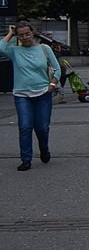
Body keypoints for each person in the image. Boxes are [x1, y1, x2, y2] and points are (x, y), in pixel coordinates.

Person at [1, 20, 61, 170]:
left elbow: (57, 69)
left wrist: (52, 85)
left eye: (27, 33)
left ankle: (44, 149)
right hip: (22, 95)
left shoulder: (44, 48)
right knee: (25, 126)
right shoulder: (15, 51)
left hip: (43, 93)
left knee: (42, 127)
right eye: (21, 35)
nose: (25, 37)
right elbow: (1, 47)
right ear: (18, 37)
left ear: (33, 33)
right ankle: (26, 159)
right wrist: (10, 33)